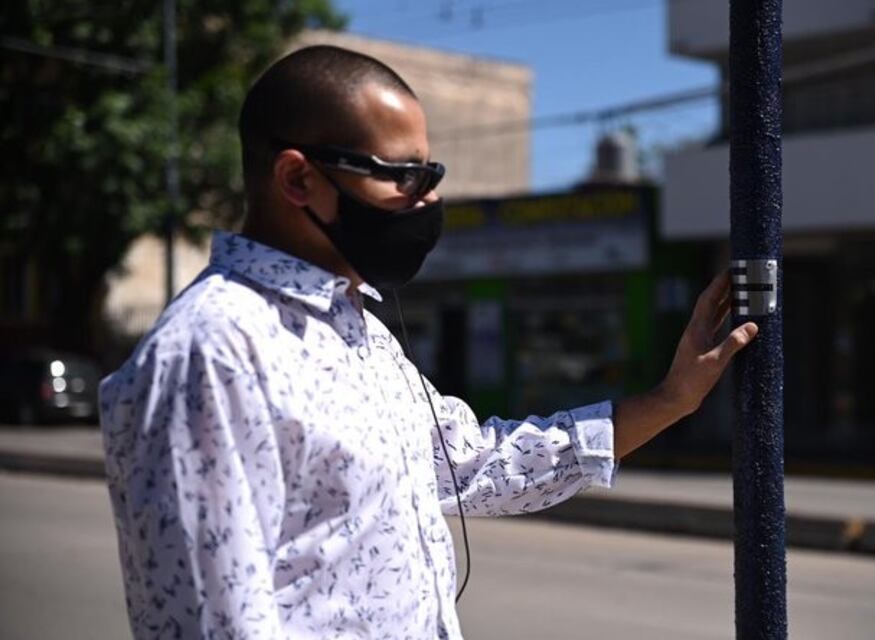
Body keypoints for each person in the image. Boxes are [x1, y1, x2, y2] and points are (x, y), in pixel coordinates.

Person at [99, 45, 758, 639]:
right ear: (299, 180)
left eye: (431, 172)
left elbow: (478, 466)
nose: (429, 198)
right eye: (404, 174)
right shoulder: (211, 352)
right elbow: (214, 625)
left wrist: (673, 399)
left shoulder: (362, 332)